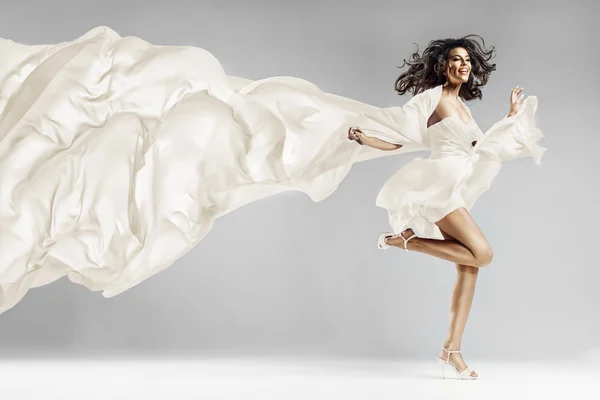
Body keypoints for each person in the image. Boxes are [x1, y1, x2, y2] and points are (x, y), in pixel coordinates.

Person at [346, 36, 546, 379]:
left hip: (456, 187)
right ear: (444, 66)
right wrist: (367, 139)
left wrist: (510, 117)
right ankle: (403, 240)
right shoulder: (431, 99)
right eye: (456, 59)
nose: (464, 64)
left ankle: (451, 350)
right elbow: (400, 136)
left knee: (469, 268)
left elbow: (479, 147)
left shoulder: (464, 107)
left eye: (467, 60)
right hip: (437, 186)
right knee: (482, 254)